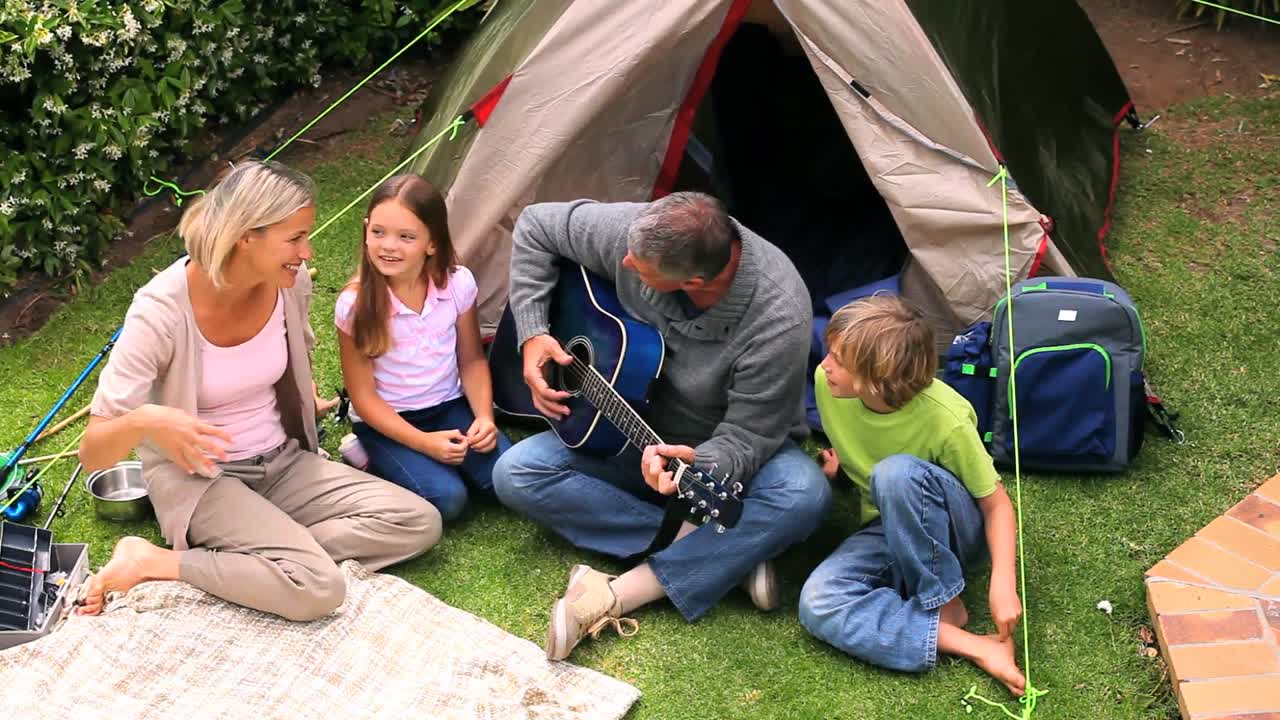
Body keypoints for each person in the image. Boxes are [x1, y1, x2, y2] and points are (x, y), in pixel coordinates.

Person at [77, 161, 442, 621]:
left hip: (283, 463)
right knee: (317, 588)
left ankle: (269, 557)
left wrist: (304, 395)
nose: (308, 252)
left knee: (417, 522)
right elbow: (93, 453)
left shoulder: (291, 285)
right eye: (295, 238)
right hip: (203, 481)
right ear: (246, 236)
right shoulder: (160, 311)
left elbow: (286, 363)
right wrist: (146, 421)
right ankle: (155, 561)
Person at [492, 192, 832, 661]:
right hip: (622, 429)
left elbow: (750, 435)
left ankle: (616, 593)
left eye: (638, 265)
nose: (624, 261)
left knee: (803, 493)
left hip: (714, 447)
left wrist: (698, 463)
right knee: (516, 473)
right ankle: (730, 552)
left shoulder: (778, 316)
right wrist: (533, 331)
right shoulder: (643, 234)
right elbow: (535, 225)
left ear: (693, 280)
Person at [798, 295, 1026, 696]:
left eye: (838, 359)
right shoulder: (827, 385)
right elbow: (866, 446)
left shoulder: (947, 419)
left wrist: (1003, 582)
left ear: (876, 378)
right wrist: (844, 472)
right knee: (817, 603)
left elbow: (996, 504)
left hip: (956, 529)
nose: (824, 365)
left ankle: (943, 597)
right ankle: (974, 646)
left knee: (895, 473)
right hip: (887, 524)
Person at [335, 174, 510, 520]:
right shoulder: (354, 305)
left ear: (432, 242)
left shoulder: (458, 284)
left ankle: (424, 461)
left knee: (507, 481)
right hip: (387, 421)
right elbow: (363, 397)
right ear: (366, 230)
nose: (388, 246)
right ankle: (369, 459)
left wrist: (484, 417)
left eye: (406, 237)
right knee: (448, 499)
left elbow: (472, 359)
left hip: (447, 405)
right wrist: (424, 443)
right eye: (379, 232)